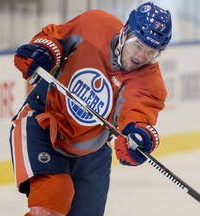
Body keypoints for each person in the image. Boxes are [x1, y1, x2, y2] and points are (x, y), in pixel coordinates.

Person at [10, 1, 172, 216]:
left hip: (92, 149)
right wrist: (45, 51)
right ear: (125, 33)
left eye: (152, 52)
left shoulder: (148, 80)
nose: (141, 57)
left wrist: (138, 135)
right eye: (139, 45)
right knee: (52, 199)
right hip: (42, 124)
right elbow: (56, 37)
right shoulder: (95, 24)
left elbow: (137, 111)